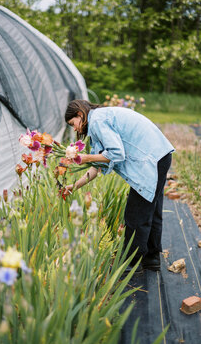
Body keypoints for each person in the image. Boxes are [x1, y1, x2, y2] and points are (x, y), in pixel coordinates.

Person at [64, 100, 174, 273]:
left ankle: (131, 263)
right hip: (159, 155)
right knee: (151, 210)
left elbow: (116, 153)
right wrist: (75, 185)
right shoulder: (99, 120)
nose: (75, 129)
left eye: (73, 124)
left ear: (80, 114)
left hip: (150, 160)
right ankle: (151, 259)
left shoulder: (98, 120)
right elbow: (98, 165)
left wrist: (85, 157)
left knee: (136, 214)